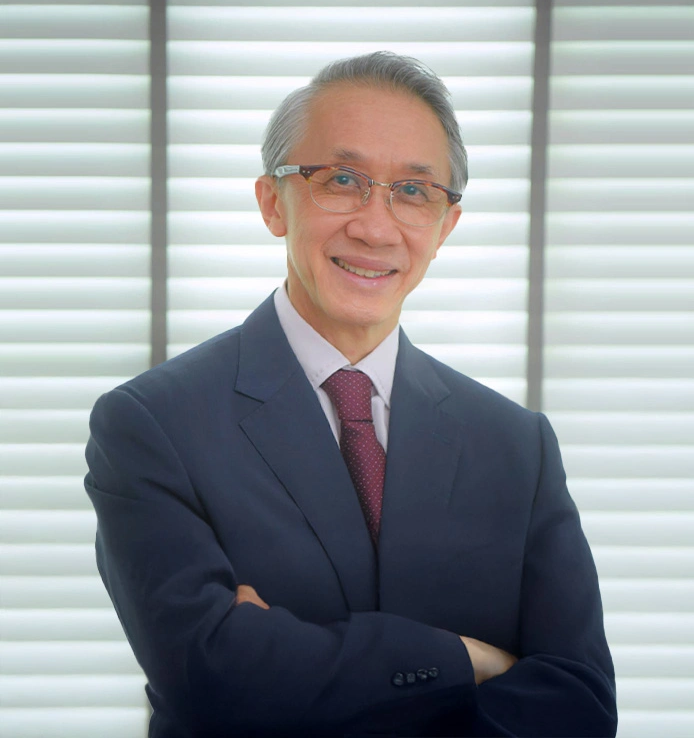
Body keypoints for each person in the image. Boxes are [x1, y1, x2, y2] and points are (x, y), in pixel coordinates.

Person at [85, 51, 617, 737]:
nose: (375, 227)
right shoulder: (152, 424)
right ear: (273, 202)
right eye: (341, 180)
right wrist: (466, 659)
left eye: (414, 191)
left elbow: (580, 706)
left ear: (445, 228)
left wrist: (290, 661)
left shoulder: (517, 445)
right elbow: (213, 681)